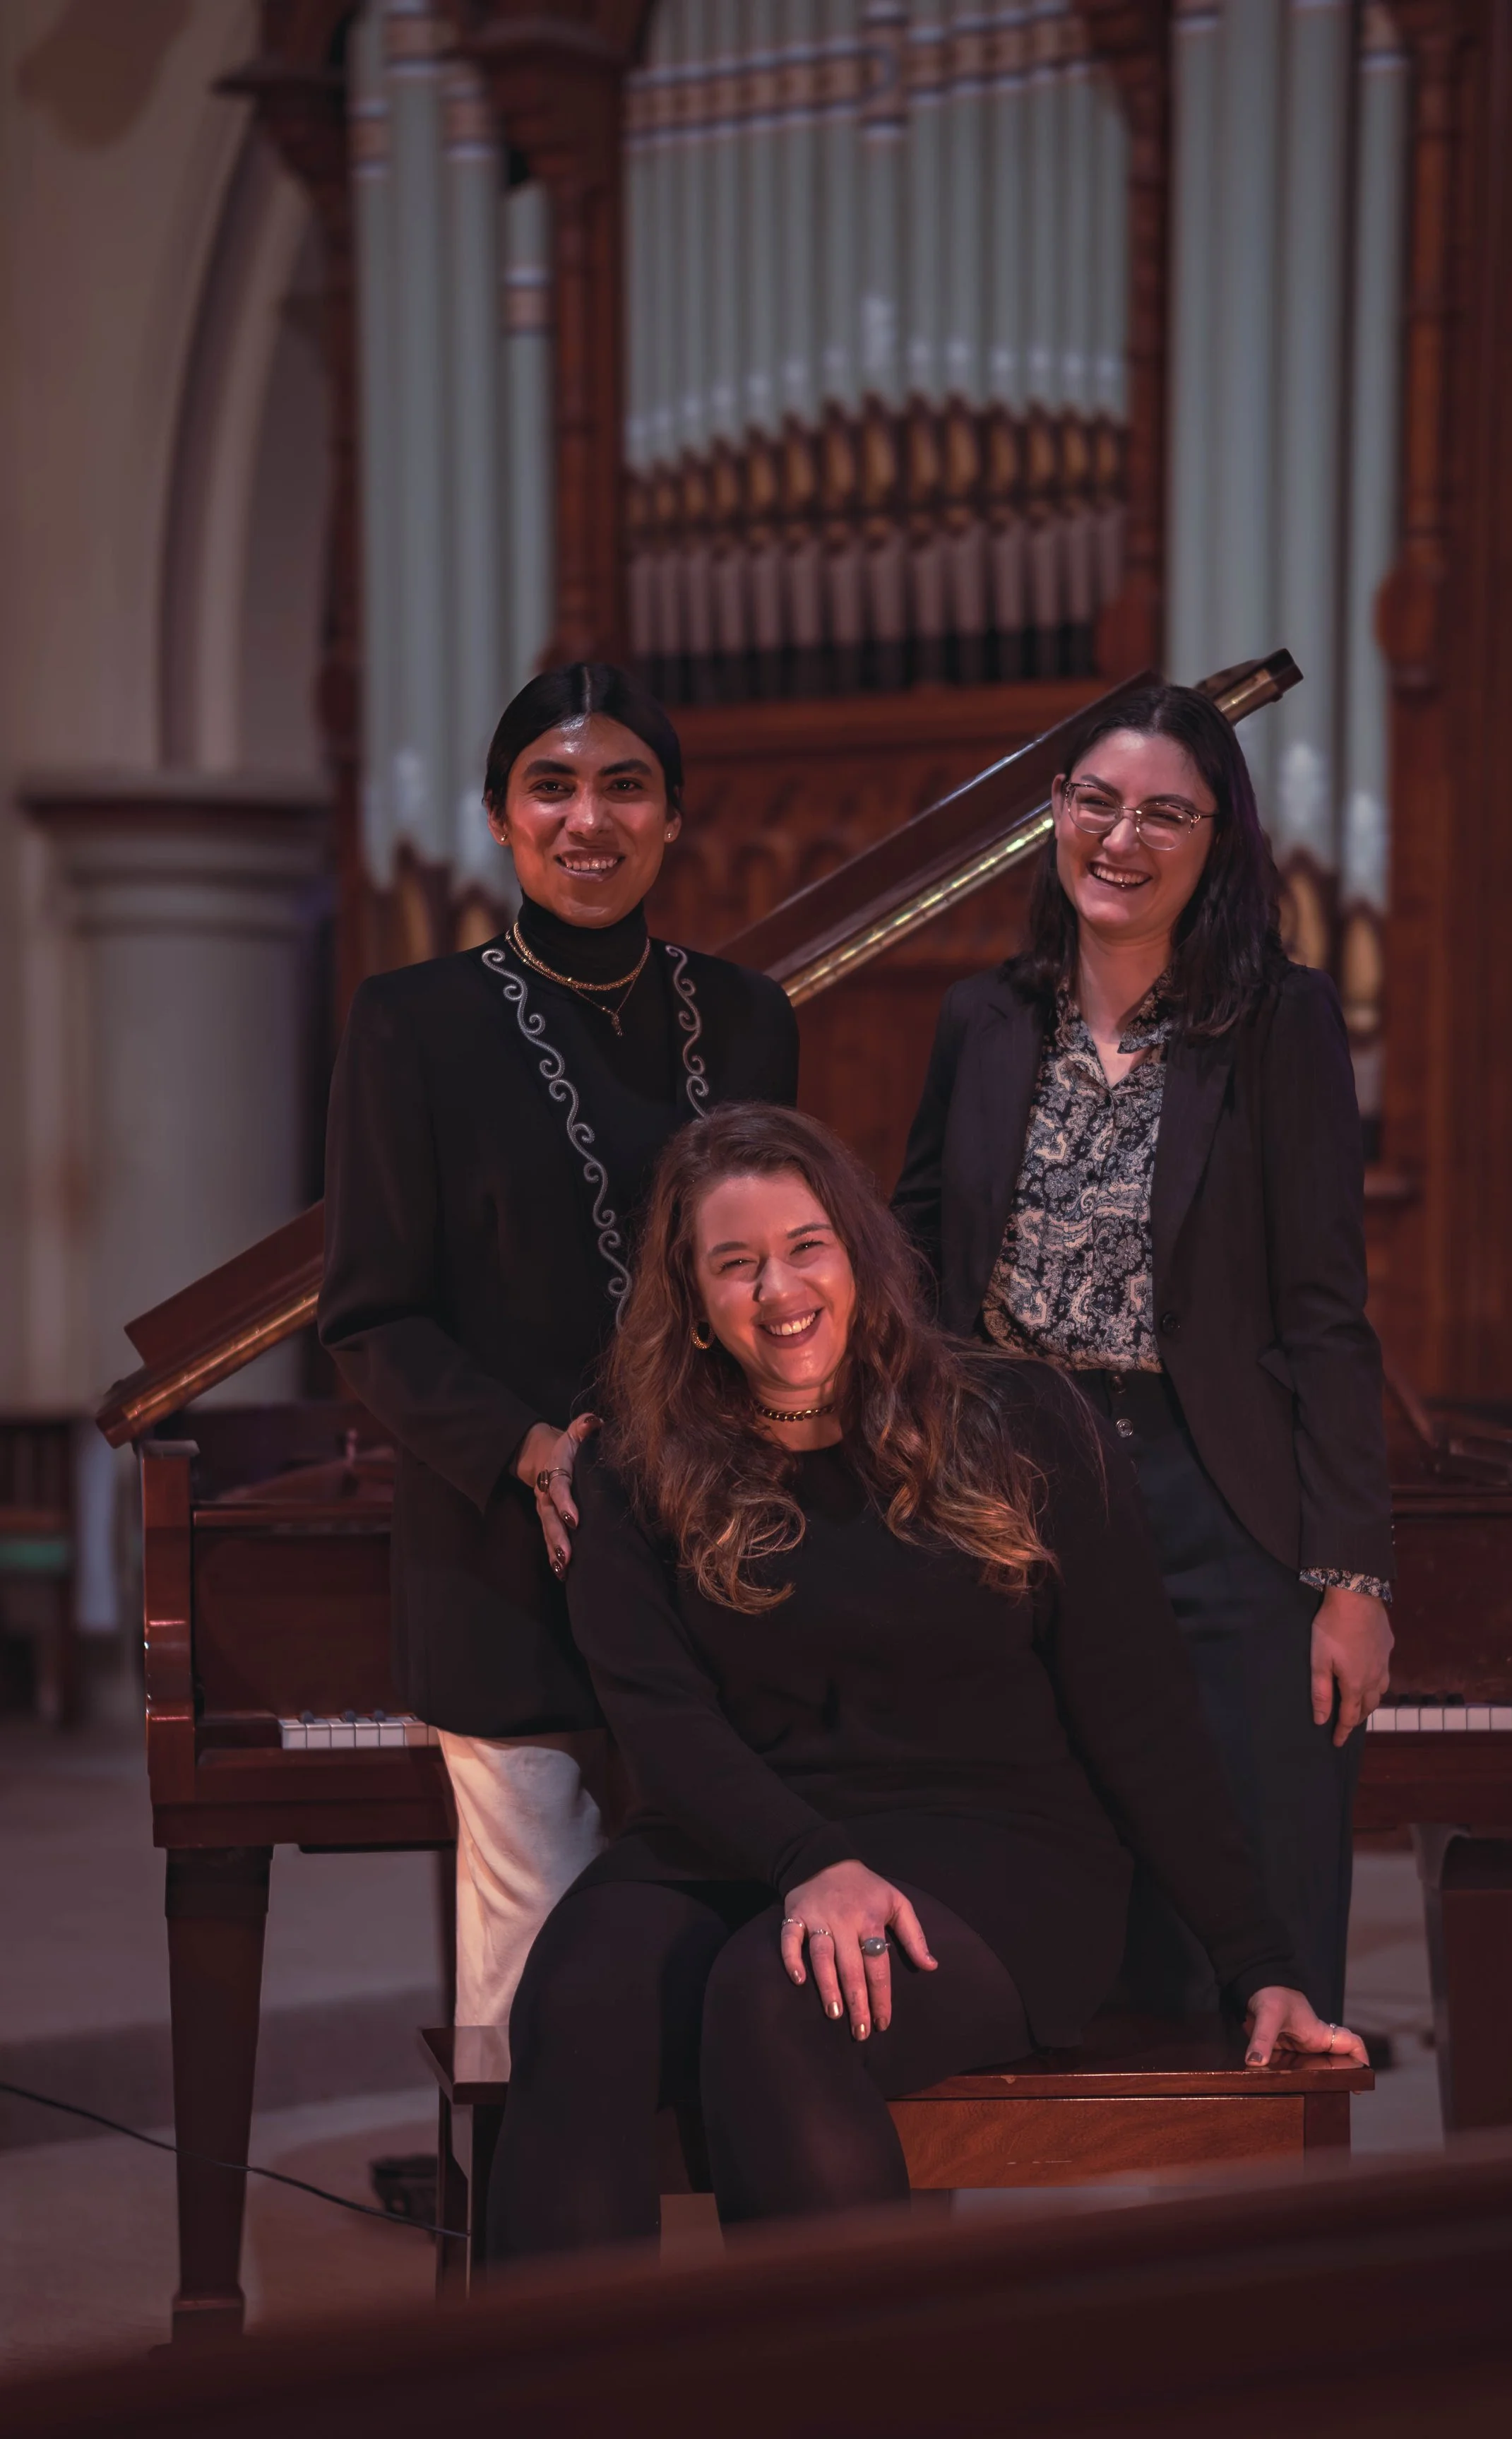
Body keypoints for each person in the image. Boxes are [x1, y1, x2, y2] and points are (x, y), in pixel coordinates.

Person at [487, 1103, 1363, 2259]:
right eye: (735, 1264)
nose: (781, 1289)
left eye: (807, 1247)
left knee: (787, 1992)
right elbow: (664, 1727)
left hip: (998, 1849)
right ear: (692, 1303)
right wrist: (809, 1861)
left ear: (858, 1252)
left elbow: (1141, 1716)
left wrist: (1260, 1961)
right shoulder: (628, 1469)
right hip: (746, 1836)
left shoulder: (1024, 1422)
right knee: (579, 1996)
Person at [891, 682, 1392, 2024]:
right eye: (1096, 802)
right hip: (1017, 1496)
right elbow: (922, 1253)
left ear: (1217, 839)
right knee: (1059, 1872)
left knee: (1257, 1884)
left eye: (1164, 813)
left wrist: (1351, 1578)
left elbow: (1327, 1316)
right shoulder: (984, 1020)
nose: (1122, 839)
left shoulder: (1280, 1022)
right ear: (1054, 814)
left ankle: (1260, 2217)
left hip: (1216, 1499)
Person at [318, 663, 798, 2026]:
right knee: (536, 1981)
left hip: (726, 1564)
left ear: (672, 817)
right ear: (498, 818)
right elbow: (368, 1314)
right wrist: (528, 1451)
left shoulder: (753, 1018)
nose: (590, 819)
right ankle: (535, 2234)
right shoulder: (410, 1024)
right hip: (505, 1569)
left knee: (723, 1949)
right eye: (553, 786)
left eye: (625, 785)